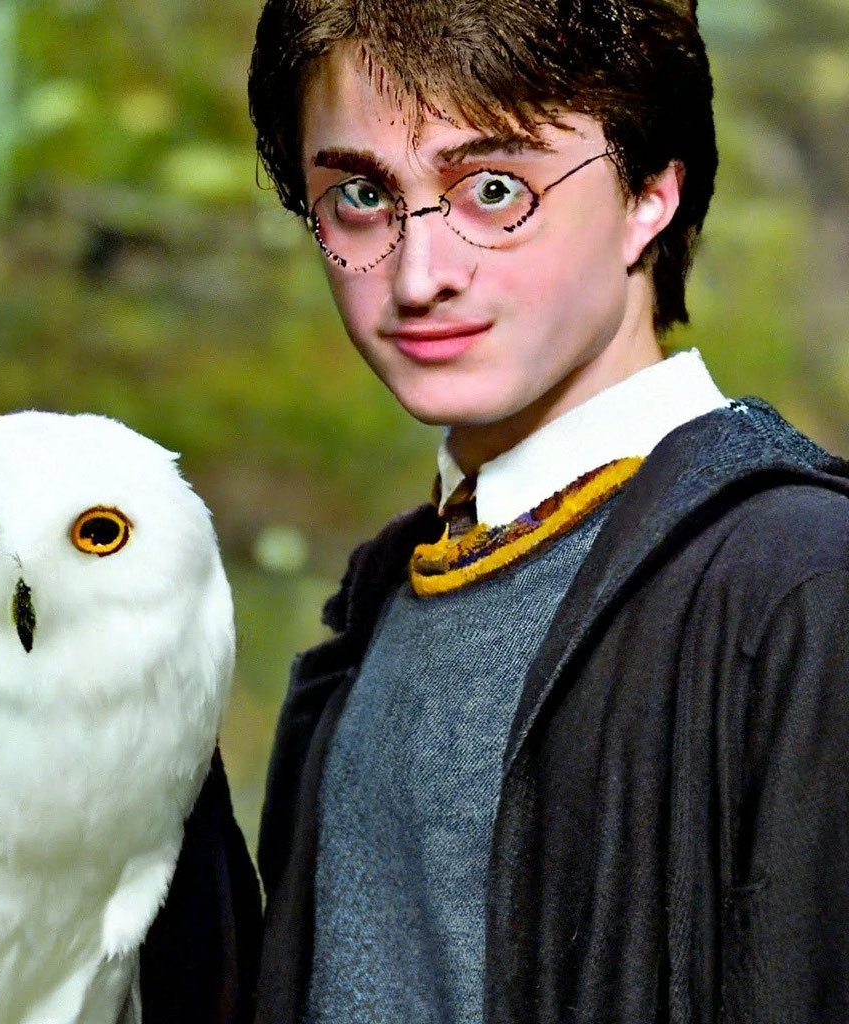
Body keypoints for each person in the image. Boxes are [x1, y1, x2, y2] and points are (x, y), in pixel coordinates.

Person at [247, 1, 849, 1022]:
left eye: (494, 190)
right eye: (361, 196)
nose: (419, 276)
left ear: (650, 193)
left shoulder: (805, 589)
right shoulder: (383, 604)